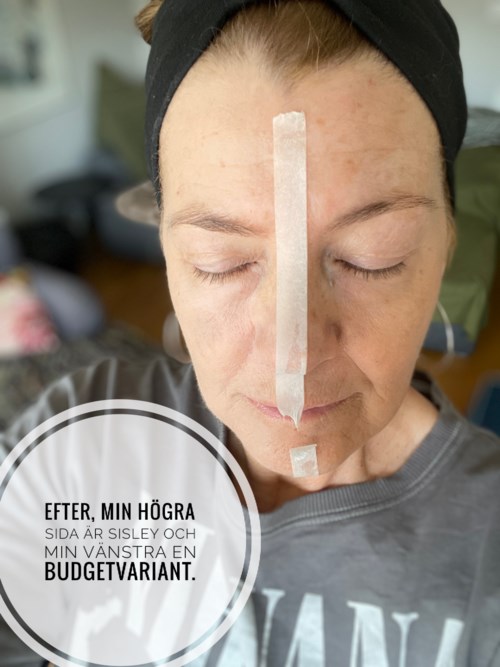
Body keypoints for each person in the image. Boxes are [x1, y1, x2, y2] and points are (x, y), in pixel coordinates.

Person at [1, 1, 500, 665]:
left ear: (445, 248)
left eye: (372, 257)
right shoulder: (82, 448)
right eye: (222, 263)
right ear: (168, 255)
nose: (294, 357)